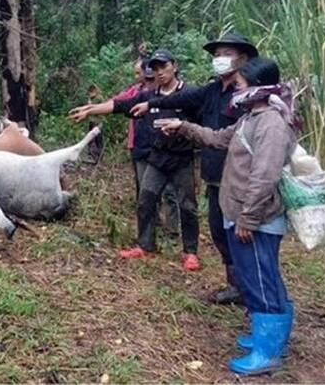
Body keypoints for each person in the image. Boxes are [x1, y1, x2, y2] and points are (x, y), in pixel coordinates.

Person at [157, 57, 296, 375]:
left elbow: (264, 176)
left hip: (256, 219)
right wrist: (184, 127)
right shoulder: (251, 116)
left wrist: (248, 218)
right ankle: (271, 337)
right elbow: (219, 139)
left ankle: (268, 351)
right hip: (244, 213)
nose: (236, 88)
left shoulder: (271, 123)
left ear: (257, 87)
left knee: (261, 281)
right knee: (262, 277)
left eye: (241, 84)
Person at [130, 32, 259, 303]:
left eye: (226, 54)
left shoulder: (250, 97)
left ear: (244, 58)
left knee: (243, 235)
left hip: (237, 176)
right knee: (220, 232)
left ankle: (255, 293)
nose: (219, 60)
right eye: (216, 55)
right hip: (213, 174)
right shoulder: (212, 90)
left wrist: (182, 127)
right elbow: (179, 102)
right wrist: (150, 103)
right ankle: (236, 287)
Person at [70, 49, 200, 271]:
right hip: (157, 157)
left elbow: (203, 123)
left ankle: (190, 252)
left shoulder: (190, 94)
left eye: (163, 66)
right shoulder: (149, 95)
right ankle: (146, 245)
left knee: (187, 205)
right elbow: (119, 105)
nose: (159, 72)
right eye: (155, 68)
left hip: (182, 158)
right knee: (145, 199)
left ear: (174, 66)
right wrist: (90, 110)